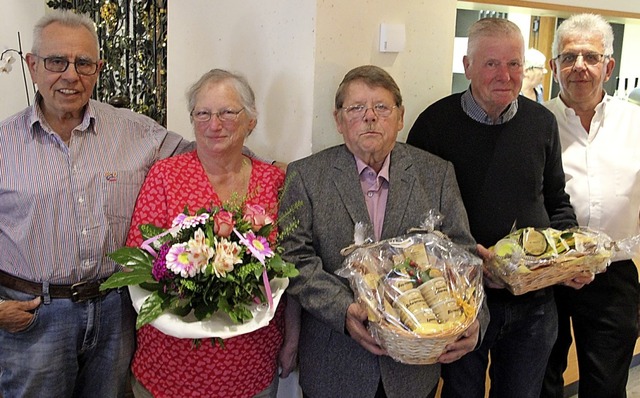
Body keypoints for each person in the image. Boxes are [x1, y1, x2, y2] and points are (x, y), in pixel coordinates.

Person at [0, 10, 193, 397]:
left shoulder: (136, 130)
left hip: (115, 312)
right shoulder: (4, 144)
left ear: (98, 68)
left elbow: (206, 157)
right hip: (31, 318)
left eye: (83, 62)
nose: (70, 75)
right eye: (57, 61)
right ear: (33, 66)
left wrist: (284, 172)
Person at [279, 65, 489, 398]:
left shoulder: (436, 175)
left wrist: (476, 322)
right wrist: (343, 309)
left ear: (400, 116)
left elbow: (464, 258)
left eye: (381, 107)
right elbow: (292, 260)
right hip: (335, 366)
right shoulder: (305, 176)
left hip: (413, 372)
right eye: (356, 108)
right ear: (338, 120)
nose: (370, 118)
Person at [407, 18, 584, 398]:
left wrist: (569, 254)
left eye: (514, 64)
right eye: (491, 64)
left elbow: (556, 201)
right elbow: (417, 224)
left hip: (534, 305)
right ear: (468, 65)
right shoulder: (433, 125)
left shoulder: (542, 123)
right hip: (462, 305)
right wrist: (468, 265)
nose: (505, 75)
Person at [126, 68, 299, 398]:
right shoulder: (165, 175)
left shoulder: (273, 182)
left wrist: (292, 338)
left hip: (249, 362)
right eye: (202, 113)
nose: (213, 124)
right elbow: (137, 259)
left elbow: (292, 267)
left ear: (251, 120)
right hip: (172, 362)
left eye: (226, 113)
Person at [541, 13, 640, 398]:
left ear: (608, 66)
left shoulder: (635, 124)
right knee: (543, 378)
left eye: (590, 56)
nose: (578, 66)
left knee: (606, 384)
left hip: (613, 274)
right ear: (554, 66)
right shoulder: (536, 124)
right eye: (568, 57)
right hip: (545, 276)